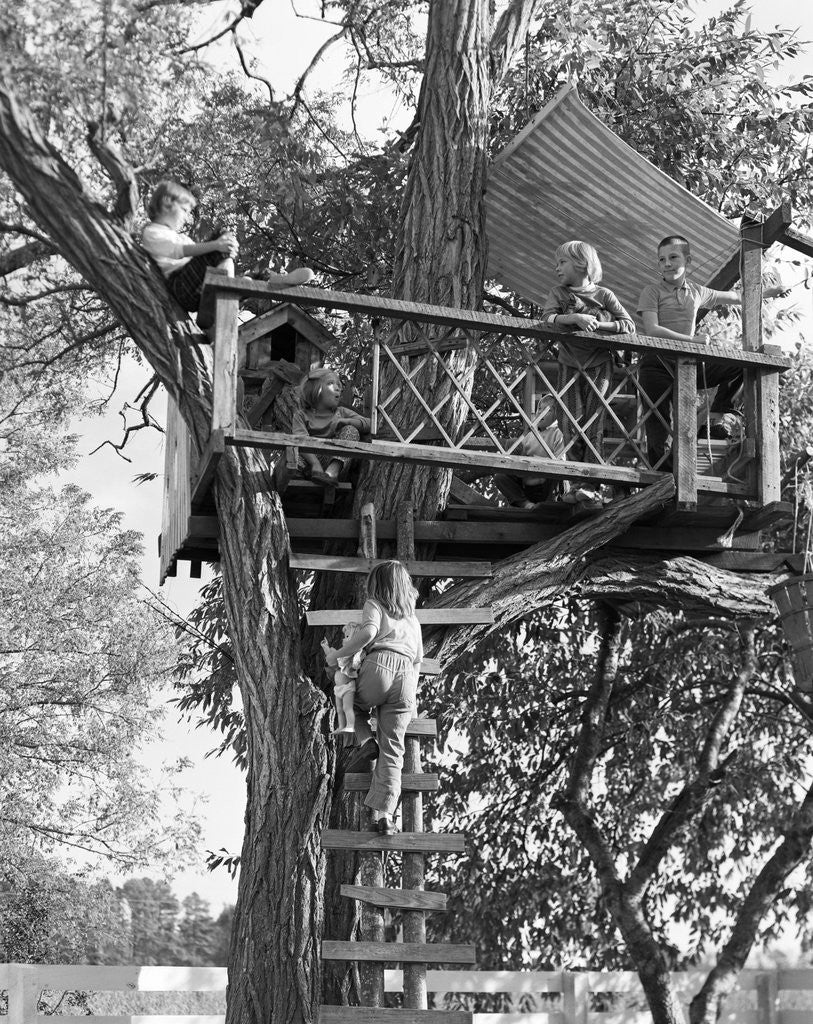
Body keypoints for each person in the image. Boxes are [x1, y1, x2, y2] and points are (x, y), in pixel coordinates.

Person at [637, 234, 787, 468]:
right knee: (659, 424)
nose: (666, 263)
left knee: (738, 366)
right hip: (656, 363)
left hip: (686, 362)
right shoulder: (652, 291)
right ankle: (662, 477)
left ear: (688, 260)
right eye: (661, 259)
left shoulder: (697, 291)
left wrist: (771, 292)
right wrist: (691, 340)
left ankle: (718, 416)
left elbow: (738, 296)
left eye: (673, 257)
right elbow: (652, 329)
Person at [323, 561, 423, 835]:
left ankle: (365, 740)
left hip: (380, 666)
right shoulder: (413, 619)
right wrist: (410, 695)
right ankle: (385, 816)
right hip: (406, 680)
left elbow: (368, 633)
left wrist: (338, 655)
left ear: (377, 585)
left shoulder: (375, 605)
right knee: (393, 750)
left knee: (347, 697)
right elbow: (418, 660)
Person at [141, 179, 313, 329]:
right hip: (181, 287)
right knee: (220, 240)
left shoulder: (180, 236)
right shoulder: (153, 232)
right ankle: (229, 292)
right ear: (166, 203)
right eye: (185, 210)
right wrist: (218, 244)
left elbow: (201, 256)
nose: (187, 217)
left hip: (199, 289)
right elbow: (179, 252)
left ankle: (273, 280)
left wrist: (224, 248)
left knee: (250, 277)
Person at [542, 240, 635, 505]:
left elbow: (628, 325)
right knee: (569, 421)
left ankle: (592, 485)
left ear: (581, 264)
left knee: (593, 422)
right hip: (569, 363)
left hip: (598, 365)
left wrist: (599, 324)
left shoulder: (604, 295)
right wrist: (574, 319)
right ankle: (573, 483)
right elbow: (547, 318)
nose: (556, 268)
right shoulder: (558, 293)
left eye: (562, 262)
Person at [291, 367, 371, 486]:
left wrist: (346, 421)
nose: (337, 388)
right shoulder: (301, 415)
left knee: (351, 430)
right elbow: (300, 439)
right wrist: (315, 464)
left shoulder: (341, 412)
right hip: (310, 461)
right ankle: (303, 475)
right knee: (292, 452)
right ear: (315, 389)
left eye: (338, 385)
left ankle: (331, 474)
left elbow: (369, 424)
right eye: (330, 383)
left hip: (336, 461)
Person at [494, 394, 565, 508]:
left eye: (547, 410)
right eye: (539, 409)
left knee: (558, 473)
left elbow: (561, 462)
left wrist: (535, 461)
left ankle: (550, 503)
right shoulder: (531, 434)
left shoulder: (558, 433)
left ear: (556, 415)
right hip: (527, 485)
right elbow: (518, 456)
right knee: (500, 477)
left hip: (546, 485)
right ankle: (525, 504)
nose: (540, 413)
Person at [321, 624, 365, 735]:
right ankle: (341, 726)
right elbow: (334, 658)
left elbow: (353, 663)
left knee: (347, 707)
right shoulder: (342, 653)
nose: (344, 639)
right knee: (339, 709)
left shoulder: (354, 653)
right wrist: (326, 647)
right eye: (345, 636)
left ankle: (350, 726)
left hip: (348, 687)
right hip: (338, 688)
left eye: (347, 636)